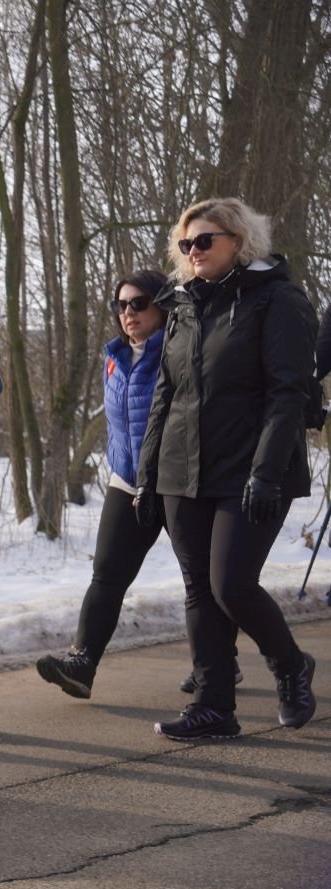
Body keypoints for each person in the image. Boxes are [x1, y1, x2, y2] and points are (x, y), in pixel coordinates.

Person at [137, 197, 318, 740]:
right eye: (185, 243)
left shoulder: (279, 299)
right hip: (182, 468)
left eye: (204, 240)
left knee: (231, 585)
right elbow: (164, 397)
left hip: (251, 468)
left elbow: (288, 393)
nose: (192, 251)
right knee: (199, 589)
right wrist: (148, 475)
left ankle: (291, 665)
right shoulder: (182, 305)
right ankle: (213, 707)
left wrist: (266, 472)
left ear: (239, 241)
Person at [36, 270, 241, 697]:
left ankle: (219, 664)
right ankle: (82, 663)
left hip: (177, 482)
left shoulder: (180, 349)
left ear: (161, 306)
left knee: (201, 581)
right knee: (107, 574)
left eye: (139, 303)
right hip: (128, 482)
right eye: (121, 305)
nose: (128, 313)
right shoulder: (113, 356)